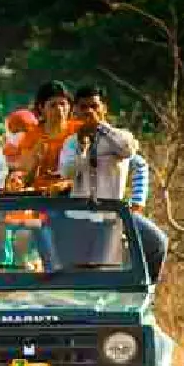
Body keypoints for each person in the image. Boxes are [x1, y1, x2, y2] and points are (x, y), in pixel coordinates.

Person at [58, 85, 168, 278]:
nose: (88, 112)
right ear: (75, 111)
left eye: (94, 106)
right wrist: (82, 148)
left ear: (104, 108)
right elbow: (67, 172)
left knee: (157, 243)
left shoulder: (119, 136)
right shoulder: (71, 142)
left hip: (110, 217)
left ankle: (145, 289)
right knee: (81, 274)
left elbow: (128, 151)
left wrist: (100, 127)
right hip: (78, 218)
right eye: (83, 107)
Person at [11, 81, 81, 193]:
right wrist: (36, 162)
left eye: (63, 104)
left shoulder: (79, 130)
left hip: (74, 193)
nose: (59, 109)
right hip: (41, 195)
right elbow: (25, 179)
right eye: (53, 105)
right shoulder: (32, 136)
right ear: (41, 108)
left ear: (70, 106)